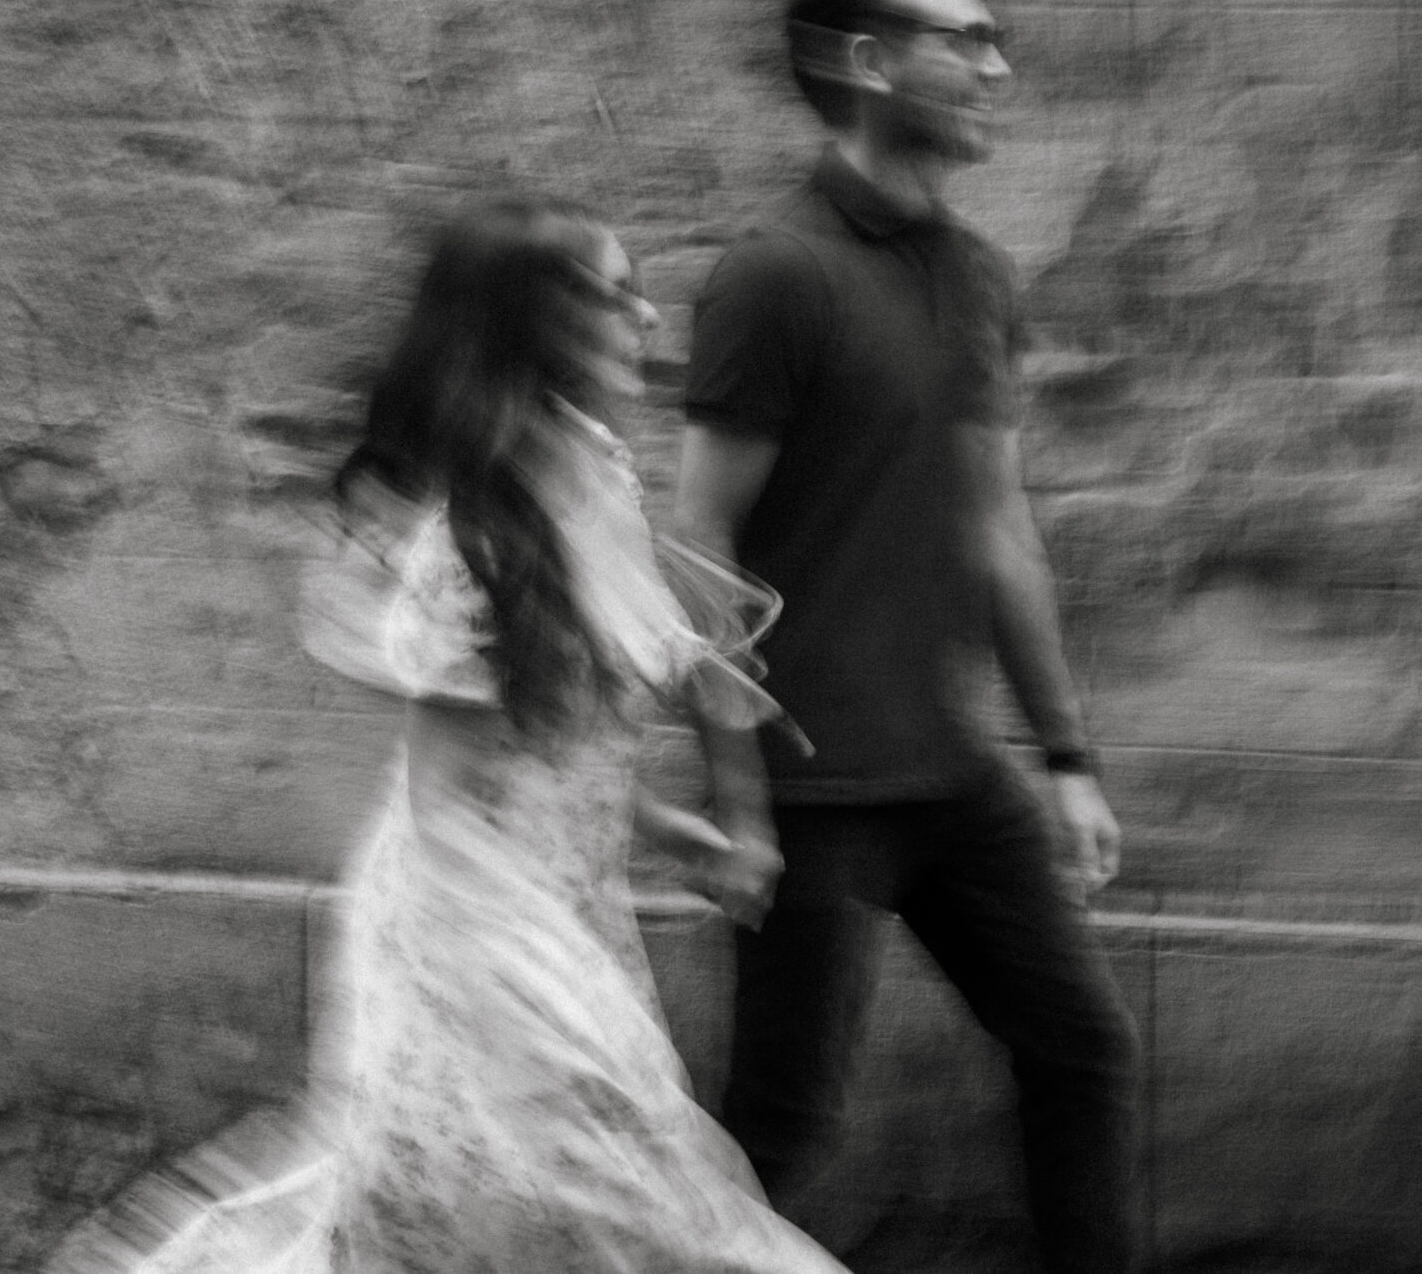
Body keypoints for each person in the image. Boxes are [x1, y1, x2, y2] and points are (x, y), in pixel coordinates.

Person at [46, 196, 841, 1274]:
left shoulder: (590, 477)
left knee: (490, 1223)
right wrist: (535, 992)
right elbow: (449, 810)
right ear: (536, 326)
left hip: (552, 915)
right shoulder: (471, 551)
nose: (647, 318)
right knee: (626, 1207)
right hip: (471, 934)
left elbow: (551, 743)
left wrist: (664, 827)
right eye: (613, 297)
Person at [678, 0, 1142, 1274]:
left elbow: (998, 525)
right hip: (814, 788)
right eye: (967, 39)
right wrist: (737, 794)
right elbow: (697, 537)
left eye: (996, 40)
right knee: (782, 1126)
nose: (998, 67)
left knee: (1082, 1046)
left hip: (953, 773)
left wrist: (1065, 757)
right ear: (869, 63)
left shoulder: (980, 275)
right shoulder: (774, 272)